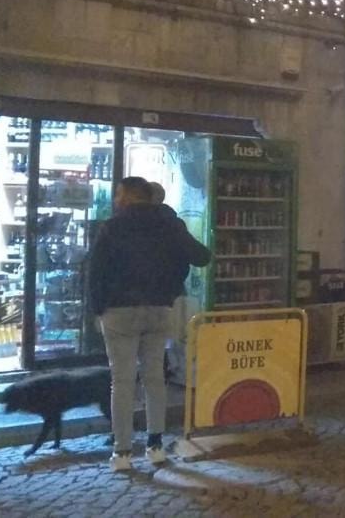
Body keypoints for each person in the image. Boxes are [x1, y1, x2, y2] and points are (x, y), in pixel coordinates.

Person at [88, 176, 211, 471]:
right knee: (154, 378)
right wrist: (173, 278)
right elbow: (202, 256)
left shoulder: (113, 227)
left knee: (122, 381)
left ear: (129, 196)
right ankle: (155, 446)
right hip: (159, 308)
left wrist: (98, 309)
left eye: (119, 193)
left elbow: (96, 272)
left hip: (119, 311)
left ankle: (122, 452)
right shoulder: (169, 224)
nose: (116, 199)